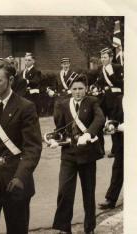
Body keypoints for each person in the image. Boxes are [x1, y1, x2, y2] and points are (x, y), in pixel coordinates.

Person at [0, 56, 42, 234]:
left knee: (17, 230)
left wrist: (21, 176)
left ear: (10, 80)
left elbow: (33, 147)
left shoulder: (25, 107)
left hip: (15, 179)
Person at [50, 73, 105, 234]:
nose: (78, 92)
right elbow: (59, 128)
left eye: (81, 88)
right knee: (64, 191)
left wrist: (88, 134)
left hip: (87, 155)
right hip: (68, 154)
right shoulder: (63, 104)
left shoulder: (92, 102)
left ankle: (90, 228)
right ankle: (63, 227)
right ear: (70, 89)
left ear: (86, 89)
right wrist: (55, 139)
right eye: (74, 89)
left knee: (88, 193)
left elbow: (100, 119)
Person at [94, 47, 124, 158]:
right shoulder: (100, 69)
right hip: (102, 100)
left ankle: (115, 149)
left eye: (105, 57)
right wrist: (95, 87)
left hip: (114, 100)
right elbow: (98, 83)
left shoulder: (118, 67)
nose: (102, 59)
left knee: (113, 124)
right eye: (101, 57)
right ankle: (100, 149)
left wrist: (111, 74)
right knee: (99, 123)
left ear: (111, 58)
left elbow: (121, 84)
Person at [99, 94, 124, 209]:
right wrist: (112, 125)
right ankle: (111, 199)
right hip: (122, 139)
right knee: (118, 167)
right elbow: (115, 118)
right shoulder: (120, 99)